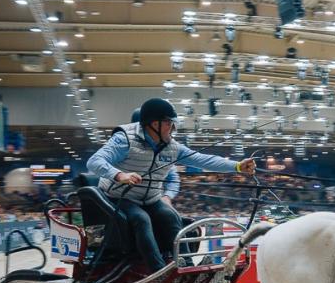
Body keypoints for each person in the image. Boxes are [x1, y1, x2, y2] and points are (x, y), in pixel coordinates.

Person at [87, 98, 255, 272]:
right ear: (154, 124)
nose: (173, 128)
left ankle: (185, 267)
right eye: (169, 123)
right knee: (141, 219)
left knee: (171, 215)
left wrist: (237, 166)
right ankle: (158, 271)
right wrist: (120, 175)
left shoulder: (172, 147)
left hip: (150, 198)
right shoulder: (124, 140)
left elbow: (203, 159)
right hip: (119, 197)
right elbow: (94, 161)